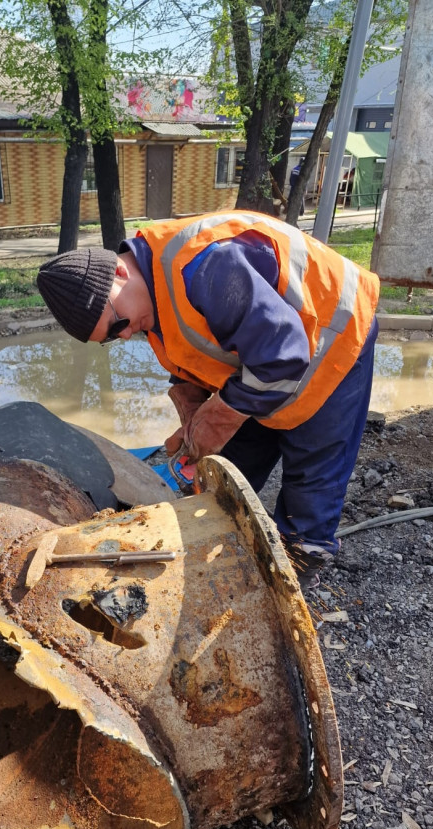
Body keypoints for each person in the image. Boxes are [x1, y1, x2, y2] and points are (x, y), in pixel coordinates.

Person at [36, 211, 380, 590]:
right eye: (110, 337)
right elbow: (196, 341)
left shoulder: (208, 266)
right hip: (266, 358)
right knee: (232, 462)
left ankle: (302, 564)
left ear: (119, 272)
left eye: (118, 324)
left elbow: (283, 355)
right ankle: (229, 538)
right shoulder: (148, 290)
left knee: (311, 477)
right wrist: (191, 400)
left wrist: (219, 417)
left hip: (333, 340)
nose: (125, 335)